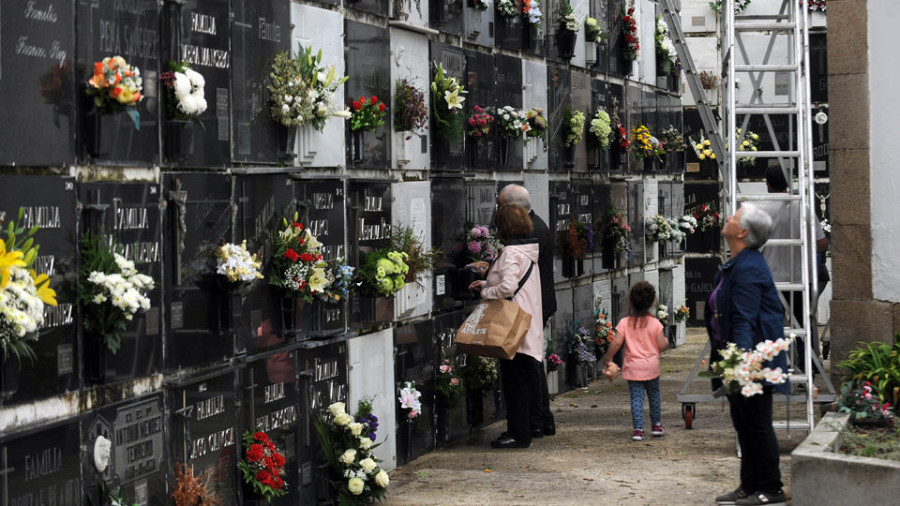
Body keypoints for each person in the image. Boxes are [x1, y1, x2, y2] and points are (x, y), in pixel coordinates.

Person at [708, 203, 789, 506]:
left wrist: (740, 366)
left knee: (756, 423)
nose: (728, 217)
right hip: (737, 359)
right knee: (744, 423)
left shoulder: (750, 266)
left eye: (734, 216)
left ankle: (771, 489)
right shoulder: (739, 263)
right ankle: (749, 485)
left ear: (742, 232)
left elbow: (744, 318)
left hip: (750, 361)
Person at [468, 204, 543, 449]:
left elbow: (508, 287)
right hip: (526, 321)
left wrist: (486, 291)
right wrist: (487, 280)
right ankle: (527, 428)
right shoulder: (526, 250)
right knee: (522, 379)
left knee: (515, 382)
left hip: (512, 326)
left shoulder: (511, 253)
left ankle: (518, 434)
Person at [497, 183, 558, 437]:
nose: (498, 213)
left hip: (530, 304)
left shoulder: (531, 232)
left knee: (526, 367)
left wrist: (490, 285)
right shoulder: (537, 225)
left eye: (501, 207)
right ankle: (541, 419)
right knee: (532, 364)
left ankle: (535, 420)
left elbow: (513, 278)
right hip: (537, 302)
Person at [761, 165, 828, 375]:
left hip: (773, 280)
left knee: (773, 327)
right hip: (801, 278)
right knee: (802, 327)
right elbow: (822, 242)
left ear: (768, 185)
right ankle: (807, 368)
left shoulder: (763, 211)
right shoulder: (804, 208)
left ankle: (776, 370)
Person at [599, 281, 668, 441]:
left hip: (633, 368)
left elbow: (616, 343)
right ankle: (656, 425)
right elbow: (661, 344)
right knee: (654, 395)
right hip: (651, 368)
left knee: (636, 398)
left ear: (630, 301)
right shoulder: (655, 323)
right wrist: (666, 342)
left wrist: (607, 359)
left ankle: (638, 429)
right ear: (651, 303)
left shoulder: (624, 323)